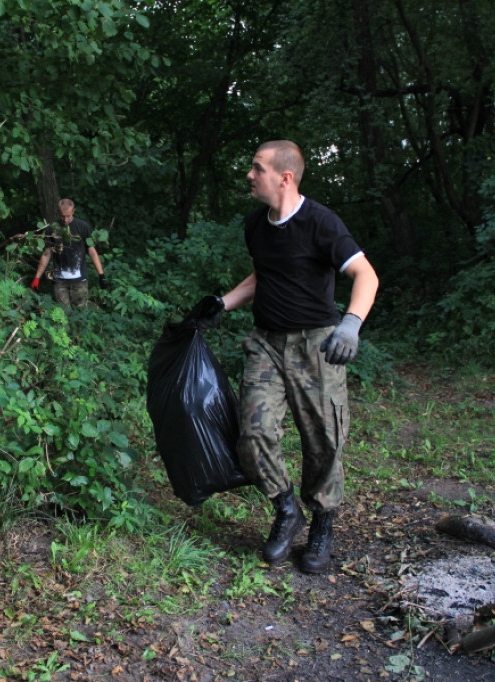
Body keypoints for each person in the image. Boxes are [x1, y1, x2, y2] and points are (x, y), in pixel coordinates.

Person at [188, 140, 379, 574]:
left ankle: (322, 523)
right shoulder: (256, 224)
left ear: (284, 177)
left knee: (324, 442)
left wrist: (350, 323)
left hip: (317, 345)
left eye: (257, 168)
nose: (250, 176)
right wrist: (223, 301)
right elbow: (264, 274)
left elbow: (364, 274)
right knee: (252, 435)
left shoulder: (321, 223)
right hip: (267, 344)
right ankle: (286, 508)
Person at [31, 198, 108, 307]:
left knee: (80, 313)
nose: (65, 220)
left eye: (68, 216)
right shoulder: (52, 229)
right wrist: (37, 277)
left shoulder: (82, 227)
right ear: (58, 212)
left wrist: (101, 275)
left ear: (73, 211)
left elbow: (92, 251)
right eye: (63, 216)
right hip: (59, 280)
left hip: (80, 280)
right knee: (63, 313)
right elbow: (46, 253)